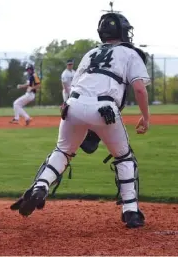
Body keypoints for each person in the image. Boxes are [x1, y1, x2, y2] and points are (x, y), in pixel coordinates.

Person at [10, 12, 150, 228]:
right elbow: (139, 89)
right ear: (123, 32)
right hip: (104, 109)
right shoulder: (130, 54)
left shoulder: (91, 52)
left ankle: (40, 186)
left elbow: (76, 86)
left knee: (62, 152)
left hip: (73, 105)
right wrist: (146, 118)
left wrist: (68, 108)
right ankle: (130, 211)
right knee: (123, 157)